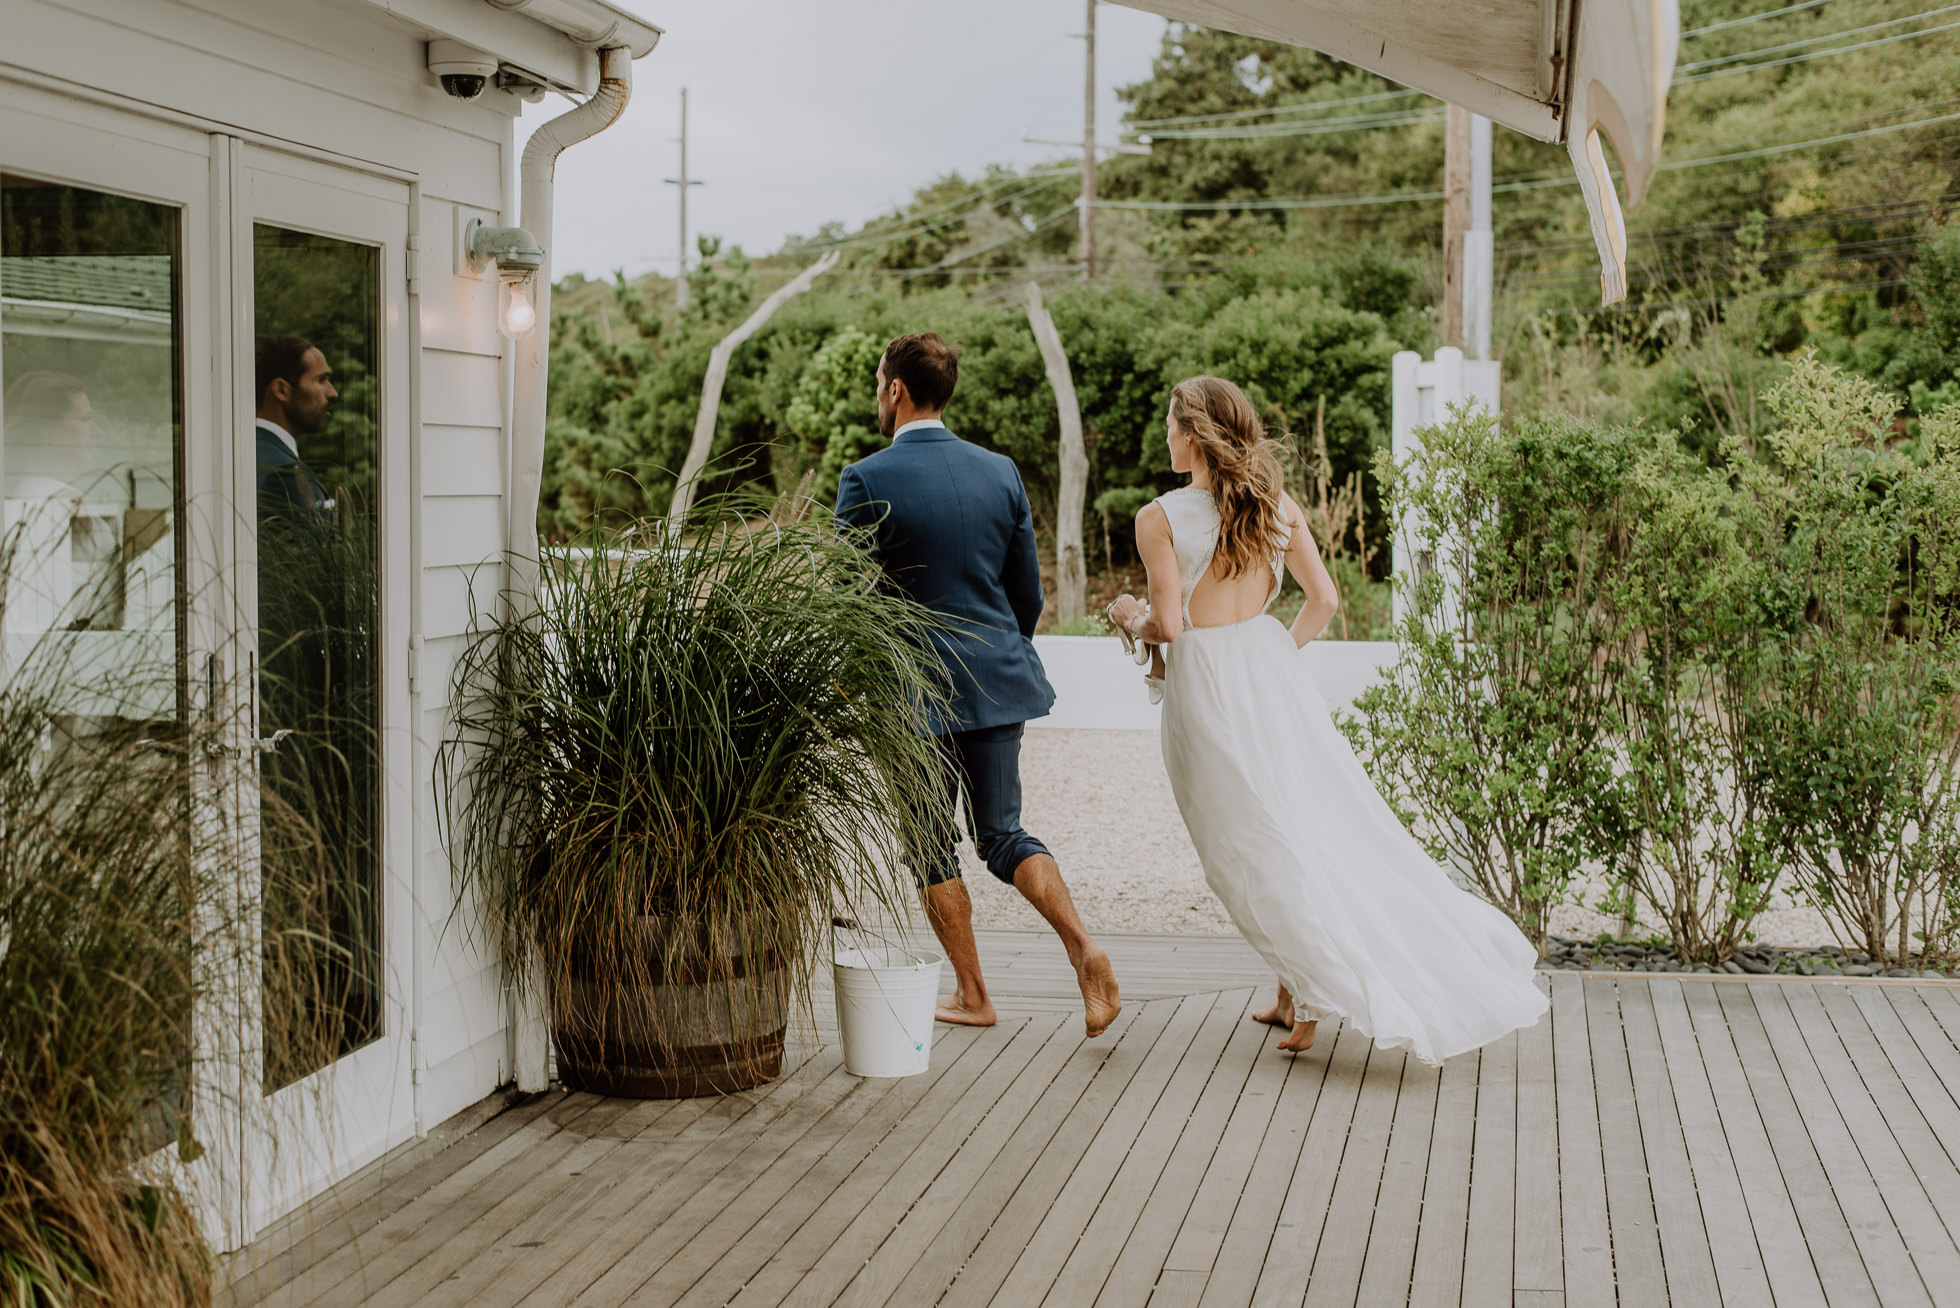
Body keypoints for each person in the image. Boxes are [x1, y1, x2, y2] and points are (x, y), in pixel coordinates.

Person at [1106, 377, 1547, 1065]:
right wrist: (1275, 652)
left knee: (1245, 842)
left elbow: (1166, 623)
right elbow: (1325, 599)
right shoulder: (1274, 504)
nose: (1165, 436)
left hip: (1209, 684)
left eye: (1170, 423)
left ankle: (1313, 990)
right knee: (1296, 821)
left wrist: (1125, 615)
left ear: (1192, 432)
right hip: (1270, 671)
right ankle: (1289, 988)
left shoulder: (1159, 517)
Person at [835, 332, 1122, 1038]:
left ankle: (974, 995)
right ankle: (1085, 947)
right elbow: (1027, 592)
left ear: (895, 389)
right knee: (1002, 834)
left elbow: (848, 601)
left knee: (930, 845)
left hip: (911, 693)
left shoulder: (866, 479)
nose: (878, 392)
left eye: (879, 381)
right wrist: (997, 649)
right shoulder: (1001, 473)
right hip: (997, 676)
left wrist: (853, 683)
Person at [254, 334, 333, 514]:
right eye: (321, 380)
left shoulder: (244, 452)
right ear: (282, 390)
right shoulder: (283, 474)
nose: (332, 393)